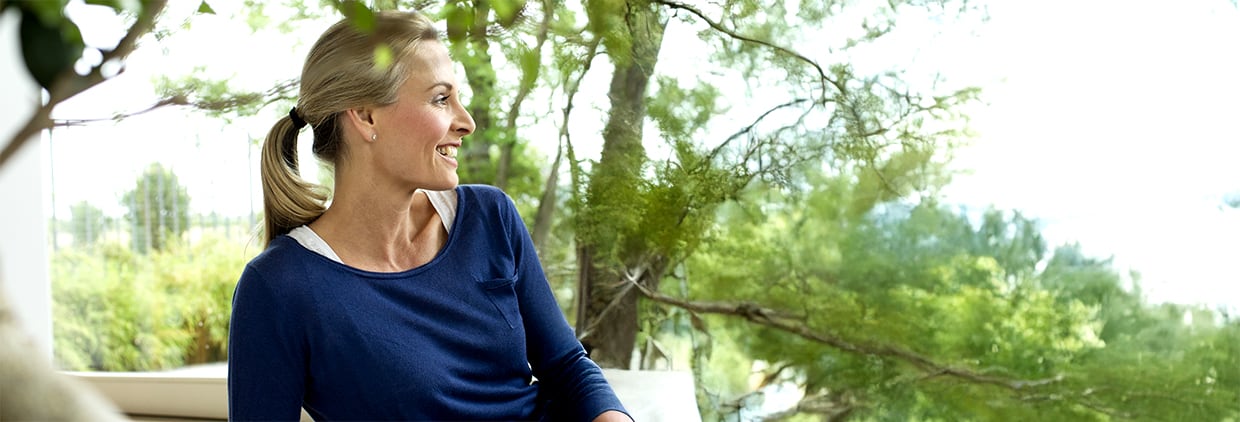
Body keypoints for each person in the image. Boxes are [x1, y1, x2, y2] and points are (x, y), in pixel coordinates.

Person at [227, 10, 631, 421]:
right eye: (441, 99)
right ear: (366, 116)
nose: (466, 122)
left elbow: (567, 367)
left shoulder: (490, 218)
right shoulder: (279, 288)